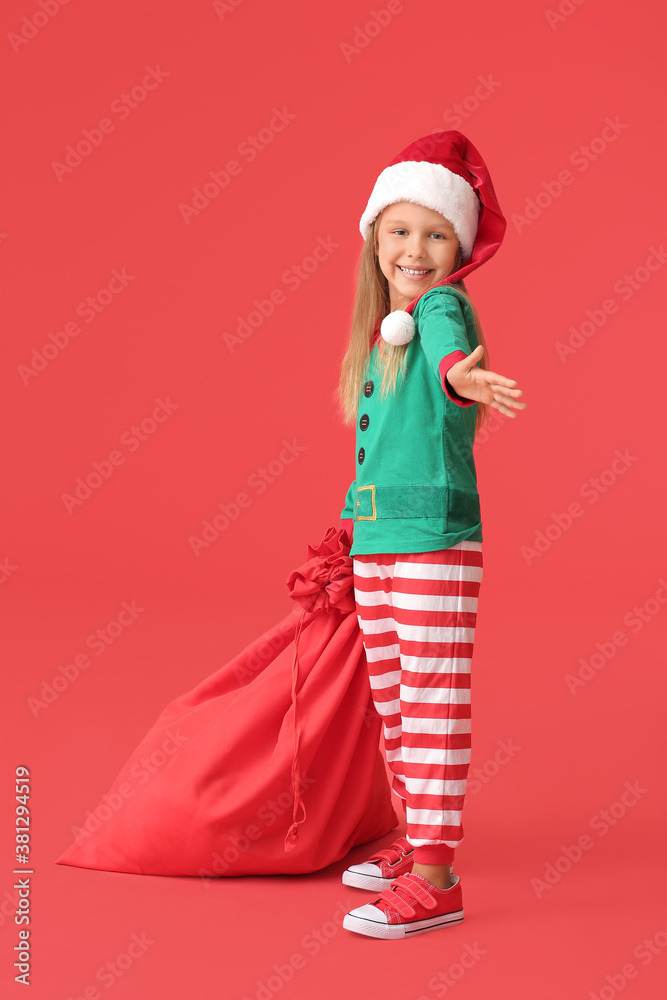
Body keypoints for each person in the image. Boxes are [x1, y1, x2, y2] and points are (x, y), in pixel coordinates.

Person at [334, 130, 527, 939]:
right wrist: (346, 527)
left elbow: (450, 355)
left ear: (458, 246)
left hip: (434, 539)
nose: (415, 249)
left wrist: (462, 376)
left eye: (435, 233)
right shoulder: (380, 334)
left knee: (434, 703)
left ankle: (436, 881)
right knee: (396, 704)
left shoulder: (440, 310)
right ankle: (415, 844)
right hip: (377, 540)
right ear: (375, 239)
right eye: (400, 231)